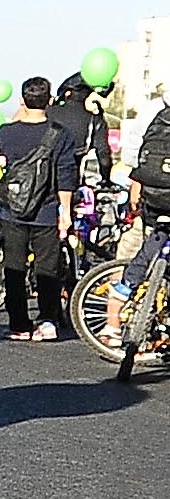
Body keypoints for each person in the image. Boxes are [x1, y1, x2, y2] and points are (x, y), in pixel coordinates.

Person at [0, 74, 77, 342]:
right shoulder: (60, 134)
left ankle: (19, 324)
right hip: (46, 211)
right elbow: (65, 174)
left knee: (13, 267)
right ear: (50, 101)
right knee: (47, 267)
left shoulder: (6, 131)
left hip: (12, 210)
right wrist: (65, 212)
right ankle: (48, 320)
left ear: (22, 100)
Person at [100, 91, 170, 346]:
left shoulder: (155, 111)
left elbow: (135, 156)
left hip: (154, 198)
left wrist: (137, 189)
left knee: (136, 255)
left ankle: (112, 323)